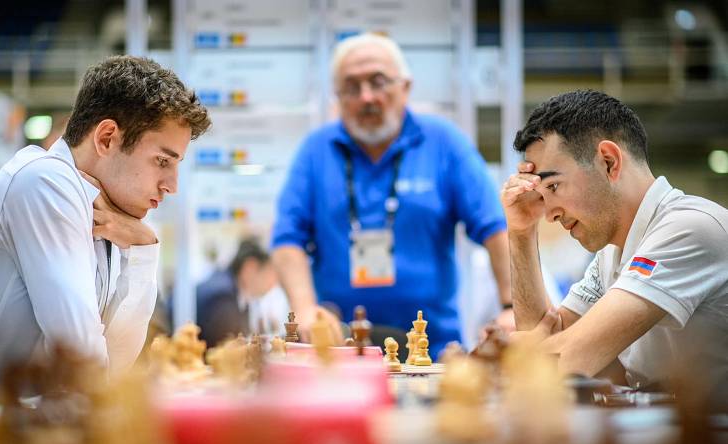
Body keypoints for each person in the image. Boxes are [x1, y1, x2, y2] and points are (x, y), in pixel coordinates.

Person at [0, 56, 210, 415]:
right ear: (106, 138)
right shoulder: (42, 181)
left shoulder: (108, 212)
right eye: (162, 161)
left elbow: (114, 371)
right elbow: (83, 361)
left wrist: (144, 248)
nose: (172, 186)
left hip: (5, 441)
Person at [271, 33, 512, 358]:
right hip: (339, 349)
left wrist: (512, 305)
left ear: (405, 87)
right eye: (351, 87)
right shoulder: (315, 151)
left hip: (432, 348)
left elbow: (496, 228)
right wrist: (304, 309)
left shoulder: (445, 143)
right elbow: (287, 240)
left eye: (378, 81)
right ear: (338, 97)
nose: (366, 96)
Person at [502, 89, 728, 403]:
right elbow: (547, 335)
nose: (549, 214)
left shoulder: (690, 228)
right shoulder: (611, 254)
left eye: (553, 186)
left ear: (609, 162)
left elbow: (569, 359)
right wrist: (522, 231)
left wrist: (518, 352)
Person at [196, 238, 285, 348]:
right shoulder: (222, 299)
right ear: (250, 268)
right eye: (271, 274)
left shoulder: (234, 292)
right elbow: (228, 354)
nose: (273, 284)